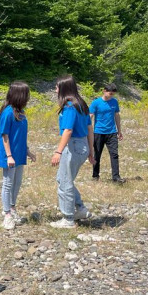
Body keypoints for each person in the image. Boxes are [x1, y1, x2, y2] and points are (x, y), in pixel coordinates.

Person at [50, 75, 95, 229]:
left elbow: (68, 130)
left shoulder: (69, 107)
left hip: (73, 145)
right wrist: (91, 150)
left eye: (57, 87)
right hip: (82, 145)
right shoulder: (82, 105)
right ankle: (80, 208)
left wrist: (58, 151)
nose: (55, 90)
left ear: (64, 88)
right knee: (63, 179)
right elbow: (90, 129)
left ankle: (68, 218)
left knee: (64, 182)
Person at [0, 81, 36, 230]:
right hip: (9, 155)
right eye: (26, 95)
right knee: (8, 184)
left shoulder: (21, 113)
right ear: (19, 95)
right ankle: (6, 214)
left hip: (19, 153)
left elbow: (20, 135)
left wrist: (27, 151)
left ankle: (12, 208)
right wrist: (9, 156)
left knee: (17, 182)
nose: (28, 98)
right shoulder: (7, 113)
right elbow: (5, 135)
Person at [89, 83, 124, 183]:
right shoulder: (96, 103)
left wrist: (119, 131)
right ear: (104, 91)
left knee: (114, 154)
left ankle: (116, 177)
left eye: (113, 94)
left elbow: (117, 115)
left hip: (112, 132)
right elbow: (90, 116)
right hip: (98, 132)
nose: (111, 95)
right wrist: (86, 130)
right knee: (97, 155)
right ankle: (95, 176)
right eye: (110, 93)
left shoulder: (114, 102)